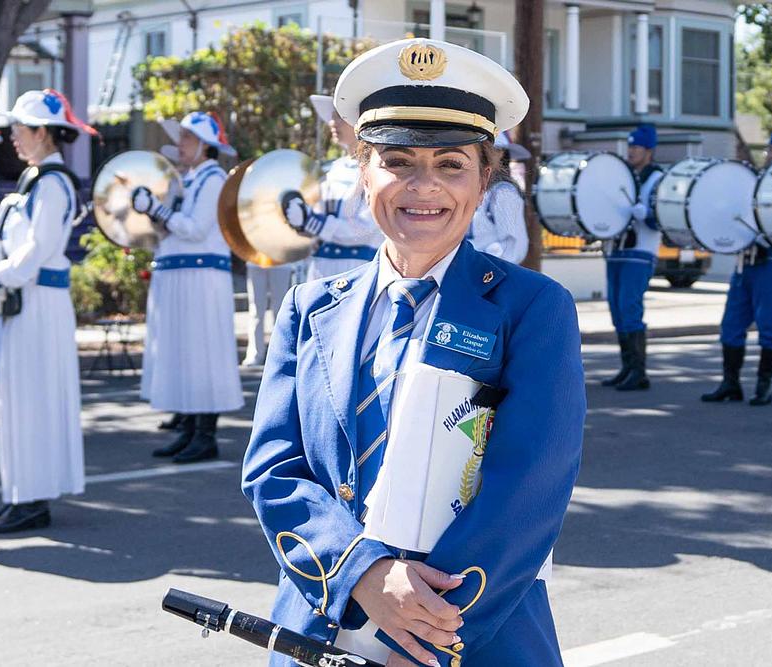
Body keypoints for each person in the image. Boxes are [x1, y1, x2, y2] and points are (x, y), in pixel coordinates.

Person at [243, 38, 585, 667]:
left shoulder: (532, 309)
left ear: (485, 180)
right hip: (323, 623)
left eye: (451, 164)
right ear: (362, 169)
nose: (422, 187)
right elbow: (274, 470)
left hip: (469, 636)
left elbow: (529, 489)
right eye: (397, 160)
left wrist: (427, 627)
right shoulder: (308, 309)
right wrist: (362, 576)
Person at [0, 90, 89, 532]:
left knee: (33, 401)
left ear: (43, 133)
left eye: (20, 128)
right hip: (27, 302)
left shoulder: (52, 184)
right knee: (20, 400)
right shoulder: (36, 180)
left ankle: (33, 499)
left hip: (40, 304)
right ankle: (20, 494)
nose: (12, 136)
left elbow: (35, 254)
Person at [133, 111, 245, 461]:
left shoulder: (212, 179)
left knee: (202, 354)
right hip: (182, 274)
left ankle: (204, 433)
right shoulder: (190, 179)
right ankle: (190, 427)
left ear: (204, 145)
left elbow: (195, 228)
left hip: (201, 277)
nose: (180, 144)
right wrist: (156, 213)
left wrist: (158, 210)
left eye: (186, 138)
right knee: (185, 354)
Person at [702, 126, 772, 406]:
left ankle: (763, 386)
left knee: (771, 325)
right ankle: (730, 383)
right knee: (731, 323)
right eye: (771, 150)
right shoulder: (754, 180)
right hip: (744, 262)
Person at [282, 94, 384, 280]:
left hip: (357, 269)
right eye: (332, 116)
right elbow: (317, 224)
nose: (332, 122)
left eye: (339, 116)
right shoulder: (333, 169)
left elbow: (364, 229)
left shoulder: (377, 170)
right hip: (321, 268)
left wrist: (311, 221)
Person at [601, 124, 664, 391]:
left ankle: (639, 371)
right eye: (629, 147)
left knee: (629, 307)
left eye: (636, 147)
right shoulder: (624, 175)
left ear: (649, 151)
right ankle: (627, 367)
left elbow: (662, 217)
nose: (631, 152)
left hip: (640, 251)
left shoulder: (657, 178)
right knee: (617, 310)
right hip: (617, 250)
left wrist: (647, 214)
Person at [466, 131, 529, 263]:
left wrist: (484, 270)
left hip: (485, 274)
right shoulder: (469, 188)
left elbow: (513, 246)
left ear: (501, 153)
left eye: (492, 150)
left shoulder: (504, 193)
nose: (485, 155)